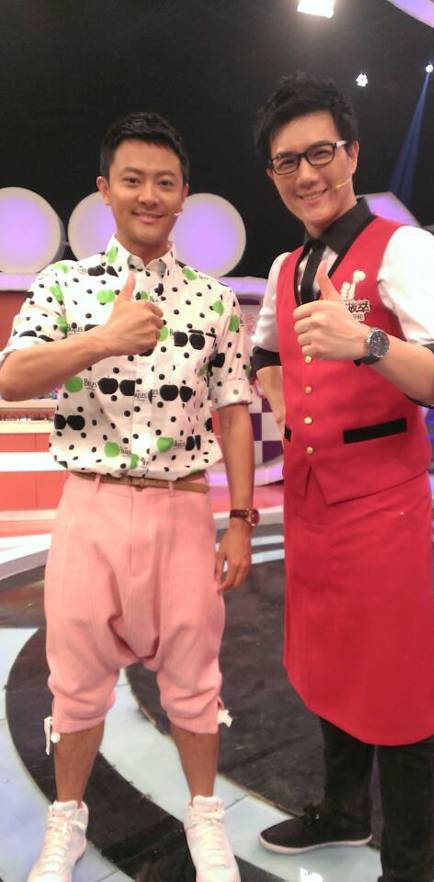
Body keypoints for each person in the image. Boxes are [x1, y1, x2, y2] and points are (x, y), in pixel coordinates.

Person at [0, 111, 258, 882]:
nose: (150, 194)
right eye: (133, 179)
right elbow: (11, 378)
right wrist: (102, 340)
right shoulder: (63, 285)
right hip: (93, 503)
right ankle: (67, 819)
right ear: (104, 190)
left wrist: (240, 520)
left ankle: (204, 814)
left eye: (165, 182)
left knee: (195, 675)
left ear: (183, 195)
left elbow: (234, 411)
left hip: (183, 508)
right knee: (75, 679)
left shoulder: (213, 302)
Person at [251, 73, 434, 882]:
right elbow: (264, 352)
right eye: (287, 162)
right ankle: (344, 812)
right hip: (311, 501)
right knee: (328, 662)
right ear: (272, 175)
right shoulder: (283, 267)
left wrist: (370, 345)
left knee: (399, 688)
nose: (306, 174)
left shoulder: (402, 248)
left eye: (320, 153)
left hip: (382, 503)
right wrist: (282, 403)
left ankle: (408, 867)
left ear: (351, 153)